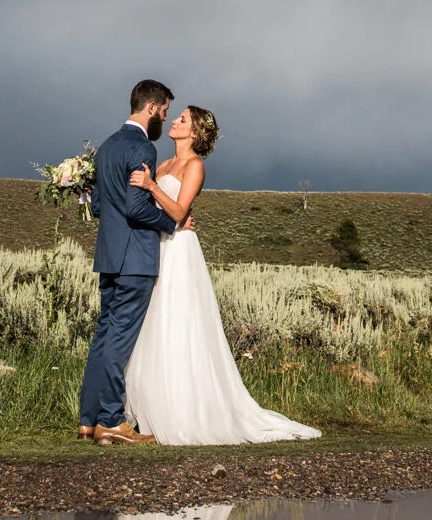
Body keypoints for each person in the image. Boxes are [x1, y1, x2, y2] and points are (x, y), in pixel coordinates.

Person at [122, 105, 321, 445]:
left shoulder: (194, 166)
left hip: (179, 250)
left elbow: (179, 212)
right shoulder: (163, 164)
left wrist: (153, 187)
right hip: (156, 247)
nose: (174, 122)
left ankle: (183, 410)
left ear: (195, 132)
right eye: (177, 117)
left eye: (182, 119)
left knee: (177, 321)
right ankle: (149, 409)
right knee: (152, 322)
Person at [76, 79, 192, 446]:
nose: (165, 118)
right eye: (165, 111)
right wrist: (172, 224)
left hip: (109, 256)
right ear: (152, 107)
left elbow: (97, 206)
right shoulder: (143, 147)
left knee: (103, 336)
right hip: (136, 259)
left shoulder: (106, 147)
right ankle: (112, 420)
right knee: (119, 339)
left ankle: (87, 420)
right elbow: (137, 208)